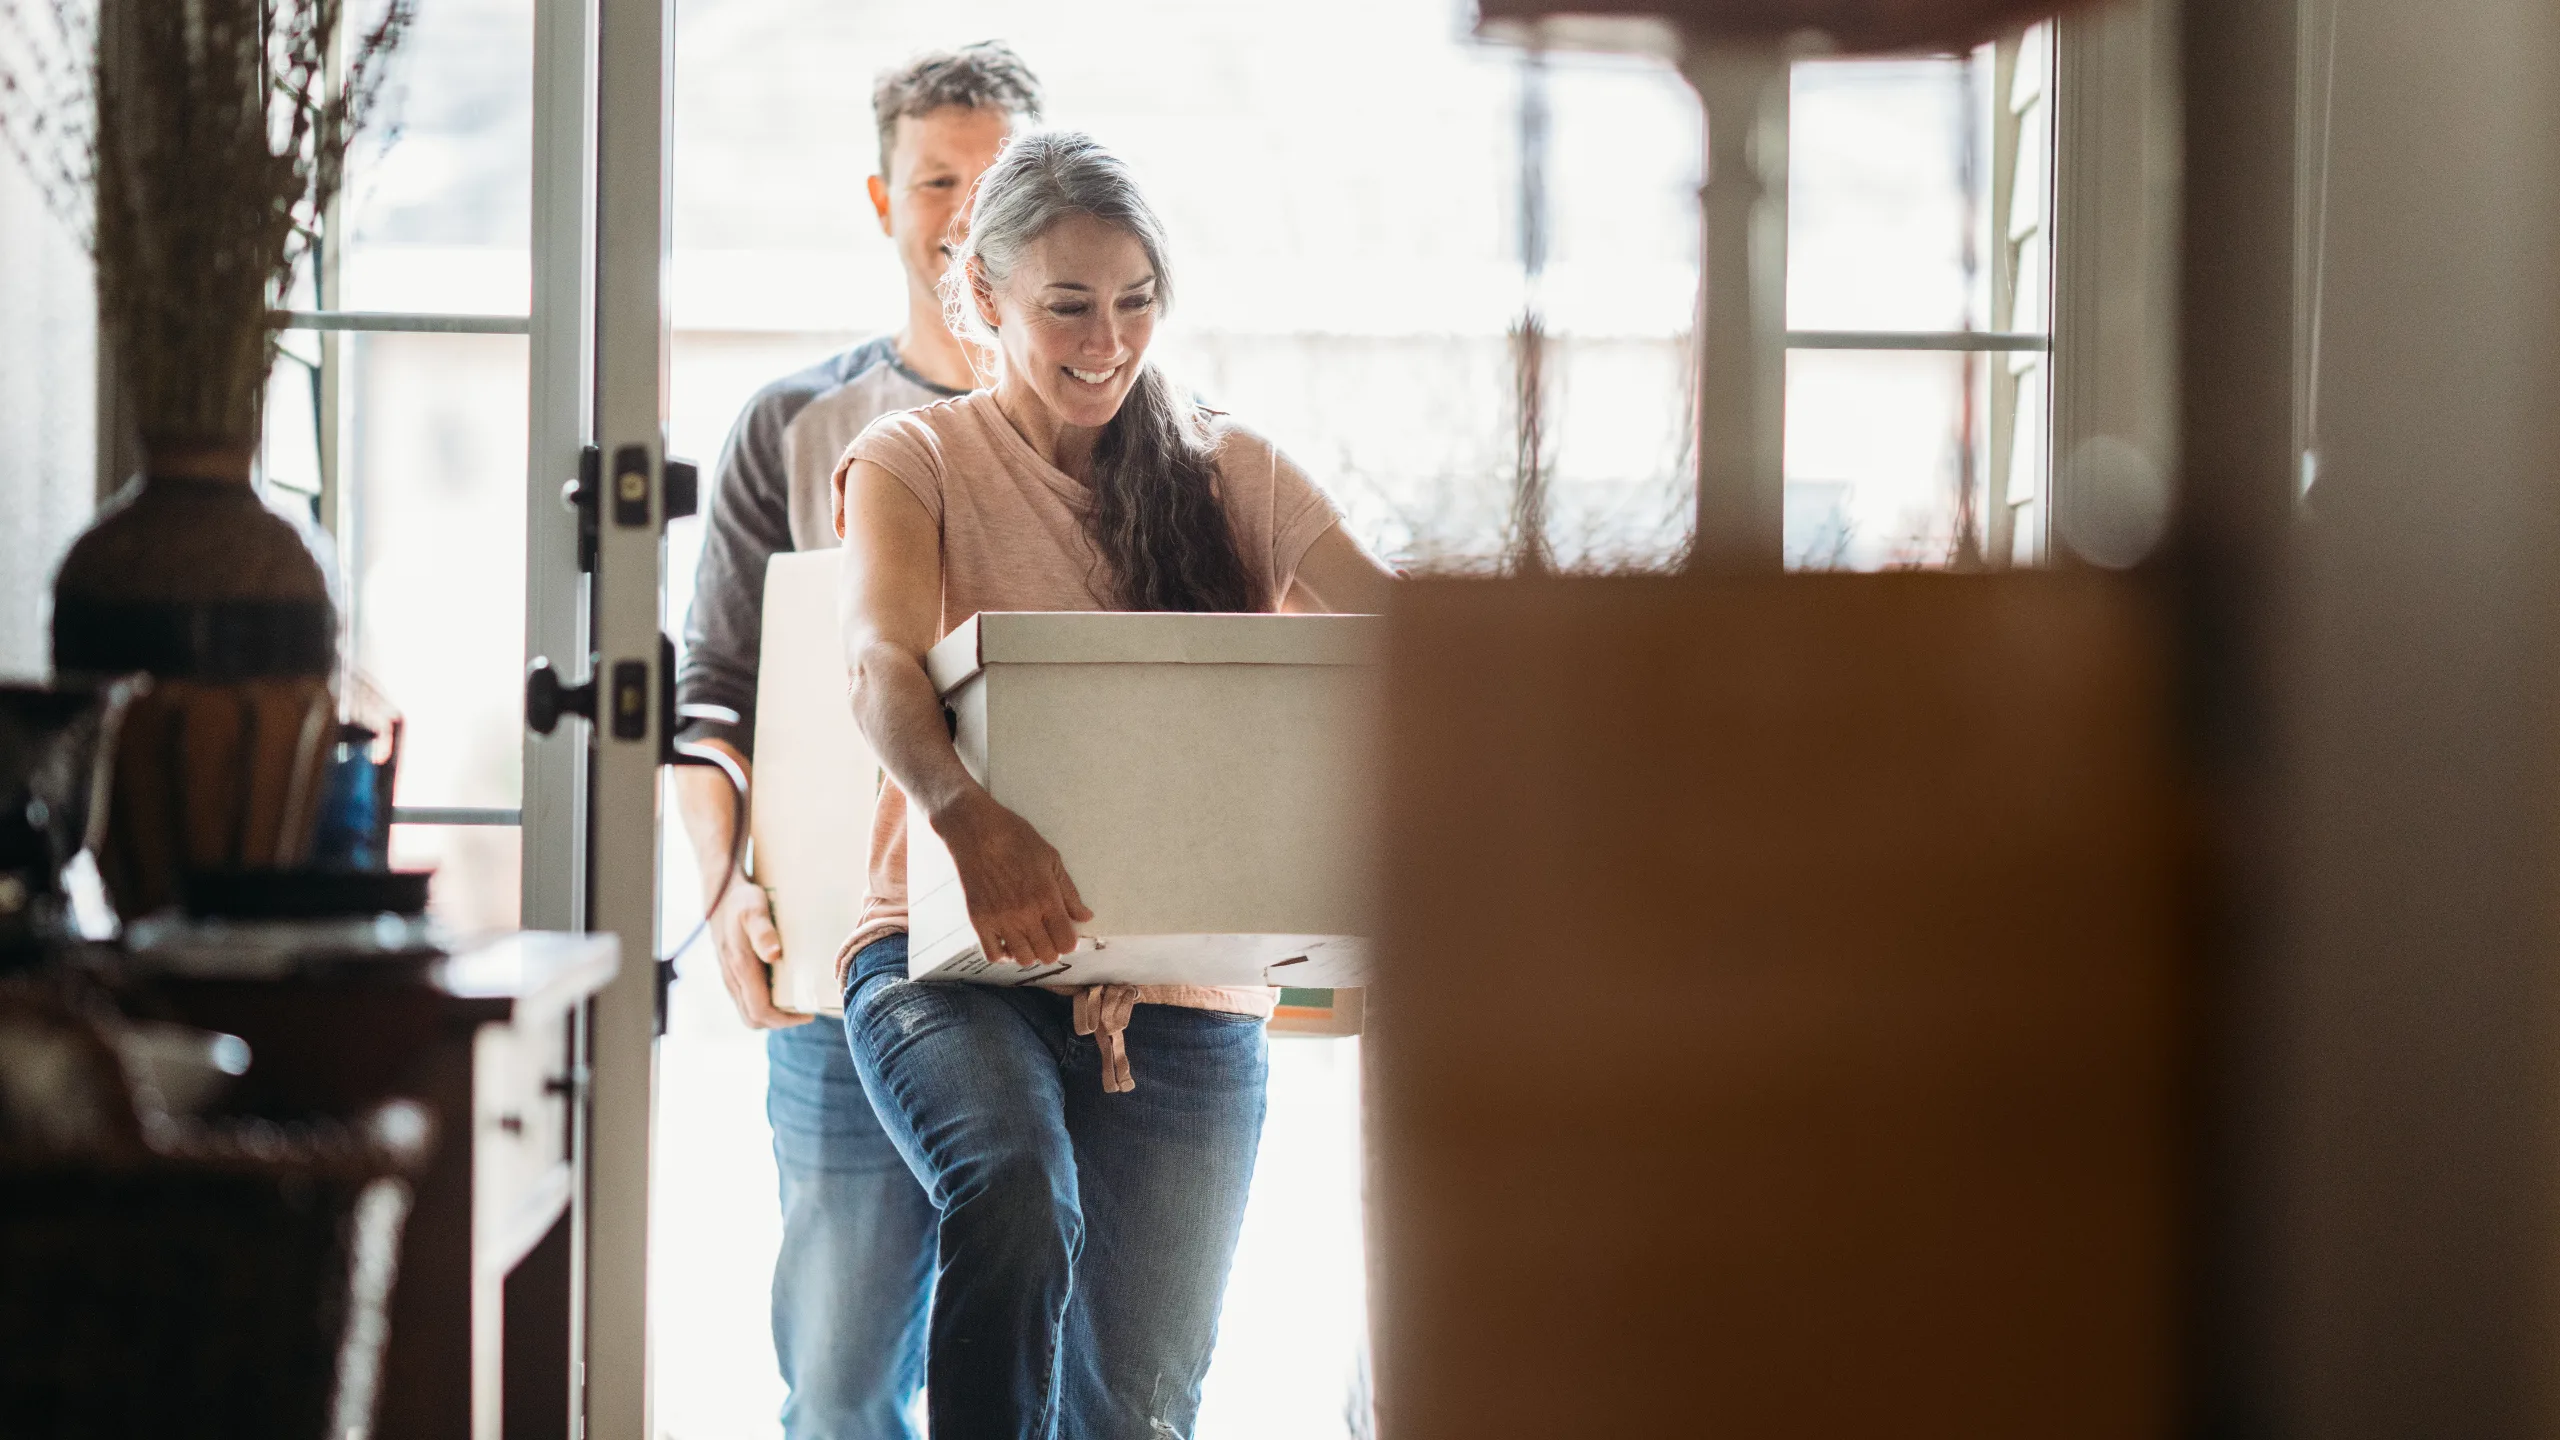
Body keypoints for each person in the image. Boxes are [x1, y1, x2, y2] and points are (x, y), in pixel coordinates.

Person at [831, 130, 1396, 1440]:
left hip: (1185, 991)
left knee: (1137, 1411)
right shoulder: (916, 459)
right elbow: (877, 665)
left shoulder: (1232, 469)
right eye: (1069, 306)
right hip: (944, 960)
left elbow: (1406, 644)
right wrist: (969, 820)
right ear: (985, 296)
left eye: (1136, 302)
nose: (1108, 341)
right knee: (1015, 1189)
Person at [672, 41, 1043, 1440]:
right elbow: (714, 700)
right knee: (838, 1388)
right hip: (843, 970)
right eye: (936, 180)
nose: (965, 211)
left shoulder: (1111, 429)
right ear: (883, 202)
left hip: (1058, 970)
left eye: (996, 180)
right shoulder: (792, 428)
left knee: (1039, 1379)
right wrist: (727, 895)